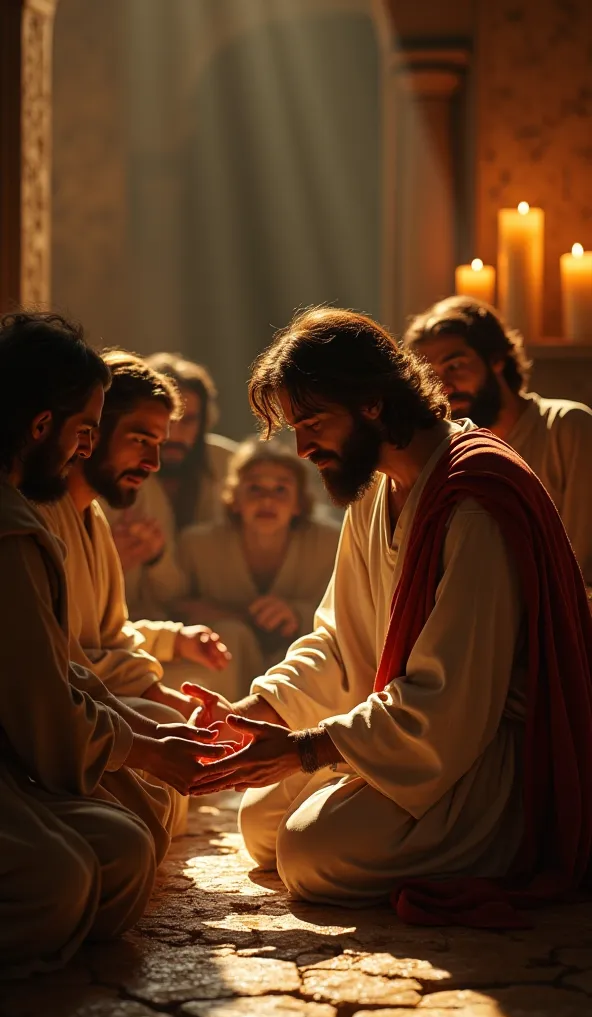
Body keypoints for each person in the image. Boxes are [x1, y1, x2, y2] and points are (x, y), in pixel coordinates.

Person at [181, 306, 592, 928]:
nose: (301, 447)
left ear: (372, 403)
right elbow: (343, 643)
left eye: (313, 422)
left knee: (309, 853)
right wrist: (254, 716)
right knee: (260, 820)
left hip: (489, 757)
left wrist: (307, 750)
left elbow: (450, 704)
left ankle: (494, 846)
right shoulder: (376, 485)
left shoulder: (475, 498)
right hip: (421, 733)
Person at [0, 313, 227, 977]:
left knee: (123, 853)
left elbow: (73, 662)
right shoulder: (20, 525)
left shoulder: (67, 515)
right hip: (25, 750)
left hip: (36, 746)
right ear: (42, 427)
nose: (83, 451)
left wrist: (148, 724)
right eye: (85, 433)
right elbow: (48, 698)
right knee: (61, 881)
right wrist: (147, 748)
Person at [39, 350, 233, 836]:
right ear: (91, 432)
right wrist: (153, 712)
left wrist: (163, 681)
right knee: (139, 819)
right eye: (140, 439)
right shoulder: (41, 516)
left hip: (98, 702)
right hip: (53, 721)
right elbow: (60, 664)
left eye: (160, 445)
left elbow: (112, 636)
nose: (153, 462)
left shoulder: (93, 518)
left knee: (167, 731)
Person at [402, 296, 592, 590]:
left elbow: (579, 562)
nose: (444, 387)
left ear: (497, 359)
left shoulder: (566, 427)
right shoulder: (445, 456)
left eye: (455, 366)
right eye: (430, 375)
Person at [177, 439, 340, 700]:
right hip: (221, 668)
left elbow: (348, 613)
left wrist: (296, 614)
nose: (267, 500)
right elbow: (172, 606)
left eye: (280, 489)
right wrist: (239, 616)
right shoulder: (197, 545)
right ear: (234, 498)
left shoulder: (331, 544)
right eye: (254, 488)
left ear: (299, 503)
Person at [104, 353, 237, 622]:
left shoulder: (231, 466)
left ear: (203, 423)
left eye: (189, 421)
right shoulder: (113, 471)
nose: (174, 435)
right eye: (169, 421)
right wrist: (105, 560)